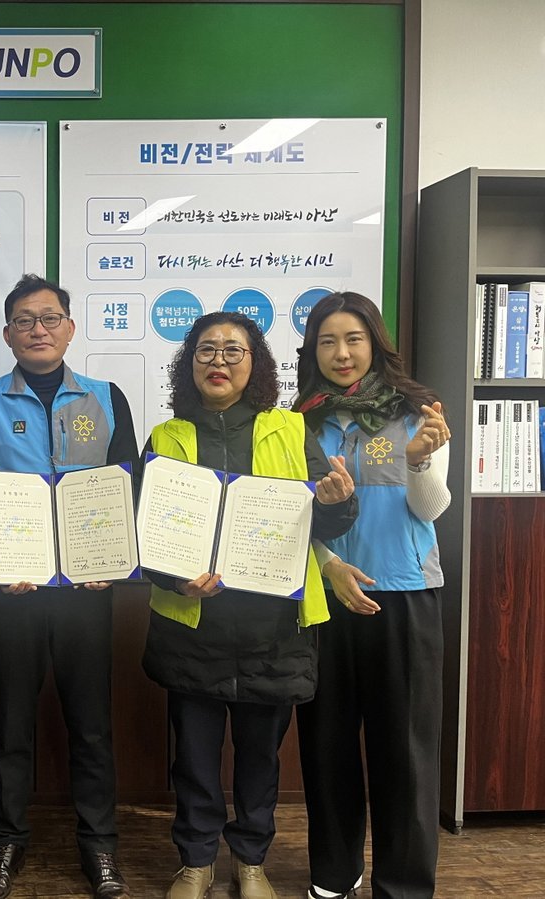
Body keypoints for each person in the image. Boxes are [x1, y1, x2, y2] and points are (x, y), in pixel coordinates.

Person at [140, 311, 357, 899]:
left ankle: (251, 862)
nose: (219, 361)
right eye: (206, 350)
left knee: (261, 759)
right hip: (194, 628)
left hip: (273, 630)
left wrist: (337, 500)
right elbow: (146, 533)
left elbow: (325, 522)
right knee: (194, 759)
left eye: (233, 351)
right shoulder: (166, 437)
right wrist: (177, 579)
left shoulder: (290, 430)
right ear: (188, 364)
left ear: (254, 364)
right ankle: (196, 862)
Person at [0, 274, 137, 899]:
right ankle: (7, 841)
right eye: (25, 321)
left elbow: (126, 485)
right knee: (10, 724)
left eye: (49, 318)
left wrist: (113, 558)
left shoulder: (106, 396)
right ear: (8, 334)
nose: (38, 330)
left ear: (69, 328)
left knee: (91, 724)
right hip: (13, 589)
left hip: (88, 590)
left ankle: (100, 846)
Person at [292, 292, 451, 899]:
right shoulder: (299, 422)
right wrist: (329, 566)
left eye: (353, 339)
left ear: (375, 345)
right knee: (326, 744)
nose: (342, 353)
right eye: (328, 341)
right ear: (312, 351)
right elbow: (289, 517)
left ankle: (403, 885)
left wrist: (419, 462)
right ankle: (334, 876)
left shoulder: (418, 412)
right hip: (324, 598)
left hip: (403, 594)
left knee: (405, 750)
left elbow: (432, 510)